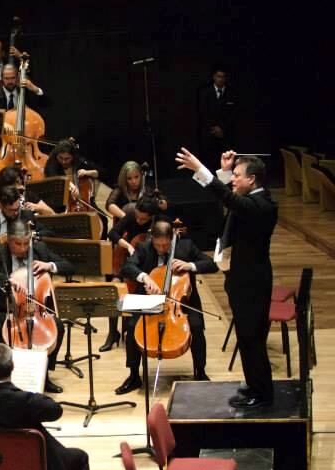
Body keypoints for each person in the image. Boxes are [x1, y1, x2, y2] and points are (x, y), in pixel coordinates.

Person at [176, 148, 277, 407]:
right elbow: (230, 201)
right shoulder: (249, 200)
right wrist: (225, 171)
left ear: (252, 179)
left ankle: (262, 394)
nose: (233, 179)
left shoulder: (262, 205)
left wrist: (201, 169)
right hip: (240, 280)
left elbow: (230, 200)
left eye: (237, 175)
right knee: (245, 337)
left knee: (252, 339)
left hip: (252, 283)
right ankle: (253, 385)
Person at [116, 220, 218, 394]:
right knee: (132, 327)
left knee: (196, 326)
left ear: (171, 239)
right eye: (158, 245)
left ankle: (200, 371)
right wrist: (144, 277)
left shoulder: (186, 246)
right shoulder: (143, 247)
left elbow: (212, 264)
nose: (162, 249)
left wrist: (190, 265)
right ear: (152, 239)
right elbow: (127, 267)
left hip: (182, 302)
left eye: (165, 245)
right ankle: (134, 376)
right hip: (149, 300)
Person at [0, 220, 74, 393]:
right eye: (18, 244)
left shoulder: (40, 249)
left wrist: (50, 266)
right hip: (4, 309)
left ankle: (43, 376)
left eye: (26, 243)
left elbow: (69, 266)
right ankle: (3, 379)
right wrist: (8, 280)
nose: (23, 248)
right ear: (9, 240)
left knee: (58, 327)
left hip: (35, 308)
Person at [101, 193, 164, 351]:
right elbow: (112, 233)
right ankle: (112, 333)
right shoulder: (131, 216)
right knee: (114, 291)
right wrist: (128, 246)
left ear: (151, 216)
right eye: (137, 216)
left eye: (143, 219)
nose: (139, 220)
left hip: (148, 267)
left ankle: (137, 329)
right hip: (127, 262)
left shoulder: (158, 222)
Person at [196, 66, 237, 171]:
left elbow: (233, 114)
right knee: (208, 161)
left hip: (225, 133)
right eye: (219, 76)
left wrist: (222, 128)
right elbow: (202, 112)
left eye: (223, 77)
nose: (221, 79)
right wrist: (214, 128)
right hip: (209, 132)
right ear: (214, 77)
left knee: (225, 160)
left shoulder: (232, 93)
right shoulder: (204, 92)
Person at [43, 138, 99, 210]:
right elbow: (53, 176)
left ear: (73, 157)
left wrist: (87, 172)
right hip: (60, 203)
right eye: (60, 158)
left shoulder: (78, 161)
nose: (63, 161)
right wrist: (69, 184)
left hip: (85, 202)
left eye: (67, 159)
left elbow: (98, 173)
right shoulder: (52, 163)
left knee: (101, 216)